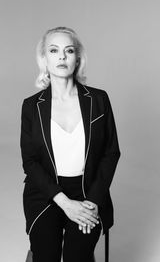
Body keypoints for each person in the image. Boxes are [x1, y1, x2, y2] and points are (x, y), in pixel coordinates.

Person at [20, 26, 120, 262]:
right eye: (54, 50)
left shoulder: (98, 99)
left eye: (69, 50)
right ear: (44, 59)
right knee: (46, 255)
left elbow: (111, 153)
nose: (62, 56)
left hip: (88, 192)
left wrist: (93, 200)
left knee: (78, 256)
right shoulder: (31, 106)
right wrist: (64, 203)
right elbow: (30, 162)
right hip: (46, 194)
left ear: (78, 58)